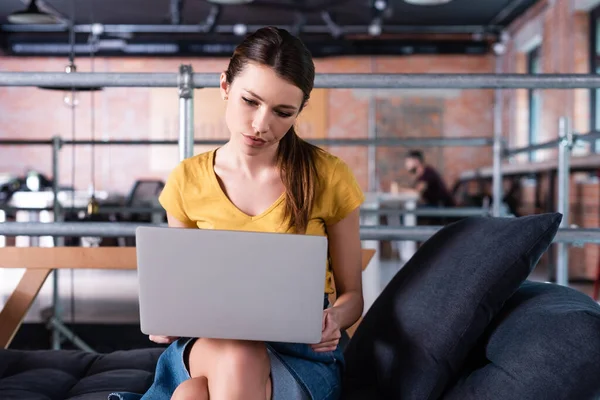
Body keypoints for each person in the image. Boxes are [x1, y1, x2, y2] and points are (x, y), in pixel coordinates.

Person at [109, 26, 364, 400]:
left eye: (283, 112)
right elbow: (182, 294)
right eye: (250, 101)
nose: (262, 125)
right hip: (210, 343)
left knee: (192, 394)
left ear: (300, 111)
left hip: (297, 351)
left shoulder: (328, 175)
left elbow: (353, 296)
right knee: (239, 354)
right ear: (225, 86)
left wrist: (334, 319)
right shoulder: (187, 180)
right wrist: (167, 321)